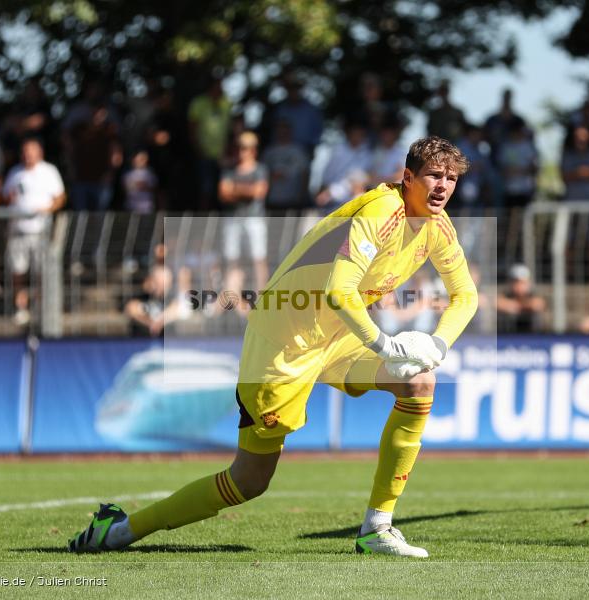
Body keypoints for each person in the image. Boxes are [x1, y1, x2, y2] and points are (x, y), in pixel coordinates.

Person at [68, 136, 478, 558]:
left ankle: (377, 528)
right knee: (249, 481)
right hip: (284, 344)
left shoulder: (438, 228)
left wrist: (438, 343)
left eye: (451, 178)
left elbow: (466, 295)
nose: (443, 186)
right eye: (433, 175)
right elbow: (340, 291)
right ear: (407, 177)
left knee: (419, 383)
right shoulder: (381, 212)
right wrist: (385, 344)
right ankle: (119, 530)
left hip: (337, 338)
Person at [2, 138, 66, 326]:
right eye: (25, 151)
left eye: (32, 151)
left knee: (41, 271)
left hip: (40, 231)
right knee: (18, 271)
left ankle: (40, 305)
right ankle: (20, 307)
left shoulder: (49, 171)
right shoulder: (15, 173)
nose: (28, 155)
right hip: (18, 230)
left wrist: (47, 210)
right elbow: (6, 196)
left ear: (40, 152)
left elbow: (60, 198)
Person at [219, 131, 270, 305]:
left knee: (258, 258)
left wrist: (236, 189)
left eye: (246, 148)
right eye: (240, 147)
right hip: (233, 218)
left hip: (254, 219)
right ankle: (231, 301)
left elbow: (259, 192)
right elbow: (224, 193)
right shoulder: (229, 169)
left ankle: (261, 299)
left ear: (254, 150)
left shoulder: (261, 169)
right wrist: (246, 190)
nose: (243, 151)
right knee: (232, 258)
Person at [188, 77, 232, 210]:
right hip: (204, 154)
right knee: (205, 191)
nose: (220, 90)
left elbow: (229, 129)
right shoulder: (198, 103)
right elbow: (192, 128)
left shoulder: (226, 103)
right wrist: (198, 150)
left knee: (224, 190)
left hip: (222, 156)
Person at [261, 120, 310, 209]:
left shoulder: (298, 151)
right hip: (272, 199)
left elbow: (305, 173)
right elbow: (263, 174)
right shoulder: (269, 151)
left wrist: (302, 195)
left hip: (292, 199)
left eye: (285, 129)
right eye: (279, 129)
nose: (282, 133)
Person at [125, 264, 180, 336]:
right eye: (158, 281)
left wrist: (160, 322)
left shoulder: (172, 299)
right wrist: (150, 323)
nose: (160, 285)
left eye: (163, 282)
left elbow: (176, 309)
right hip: (141, 340)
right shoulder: (143, 296)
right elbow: (131, 309)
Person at [496, 263, 545, 333]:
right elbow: (497, 303)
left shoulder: (533, 295)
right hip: (507, 336)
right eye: (516, 282)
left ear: (528, 283)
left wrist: (515, 306)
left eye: (522, 282)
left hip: (531, 337)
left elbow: (538, 304)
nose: (518, 286)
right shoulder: (506, 295)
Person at [122, 149, 158, 213]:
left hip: (146, 206)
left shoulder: (150, 173)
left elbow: (154, 188)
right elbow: (126, 187)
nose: (142, 161)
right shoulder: (128, 174)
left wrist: (144, 186)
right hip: (132, 205)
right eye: (140, 159)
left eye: (144, 159)